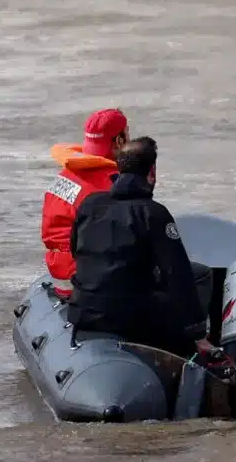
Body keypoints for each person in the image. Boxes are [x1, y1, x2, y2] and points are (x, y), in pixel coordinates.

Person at [67, 136, 221, 361]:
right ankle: (195, 350)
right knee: (200, 275)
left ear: (119, 167)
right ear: (152, 172)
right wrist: (197, 333)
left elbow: (75, 251)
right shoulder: (153, 213)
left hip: (83, 312)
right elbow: (178, 274)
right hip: (129, 318)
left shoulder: (89, 204)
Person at [41, 108, 129, 296]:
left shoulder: (67, 174)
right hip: (85, 281)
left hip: (60, 273)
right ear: (120, 141)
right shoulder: (111, 184)